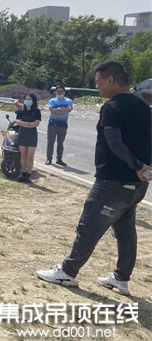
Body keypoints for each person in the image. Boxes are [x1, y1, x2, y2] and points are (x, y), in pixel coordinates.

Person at [36, 61, 152, 295]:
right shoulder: (144, 106)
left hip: (112, 181)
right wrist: (144, 168)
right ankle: (121, 278)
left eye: (98, 81)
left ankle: (68, 272)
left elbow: (115, 142)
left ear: (111, 80)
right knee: (125, 231)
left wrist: (137, 165)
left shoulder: (112, 107)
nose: (96, 86)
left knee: (89, 225)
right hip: (137, 185)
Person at [15, 93, 41, 183]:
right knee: (23, 155)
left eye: (29, 99)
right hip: (22, 133)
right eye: (26, 99)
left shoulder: (36, 111)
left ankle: (28, 175)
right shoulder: (21, 110)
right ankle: (24, 173)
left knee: (30, 156)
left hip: (32, 134)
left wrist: (26, 124)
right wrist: (28, 124)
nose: (27, 101)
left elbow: (36, 123)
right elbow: (18, 121)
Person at [45, 85, 73, 166]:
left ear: (64, 92)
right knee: (50, 142)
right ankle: (49, 159)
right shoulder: (52, 101)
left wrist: (59, 110)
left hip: (63, 124)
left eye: (61, 91)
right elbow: (52, 111)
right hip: (52, 124)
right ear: (55, 92)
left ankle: (59, 159)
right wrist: (64, 110)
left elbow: (70, 109)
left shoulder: (68, 101)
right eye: (58, 91)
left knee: (60, 143)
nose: (59, 93)